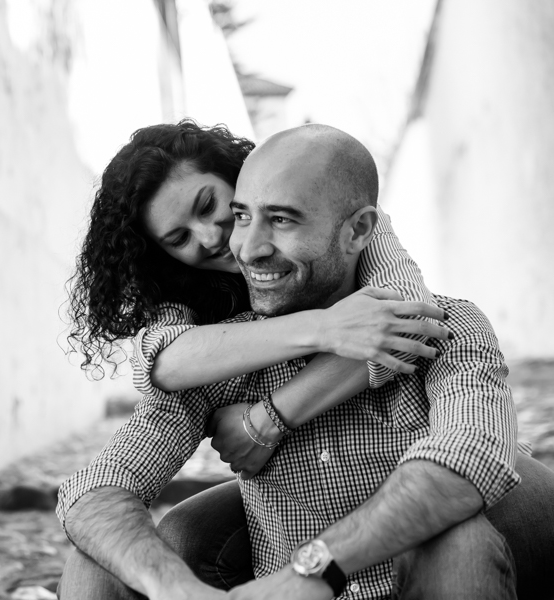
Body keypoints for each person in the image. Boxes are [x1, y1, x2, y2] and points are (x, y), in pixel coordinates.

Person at [57, 124, 554, 599]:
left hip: (457, 535)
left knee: (456, 535)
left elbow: (409, 333)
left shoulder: (435, 313)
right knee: (124, 550)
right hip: (286, 561)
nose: (224, 241)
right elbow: (105, 471)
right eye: (180, 238)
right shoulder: (210, 340)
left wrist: (308, 567)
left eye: (277, 217)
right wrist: (173, 587)